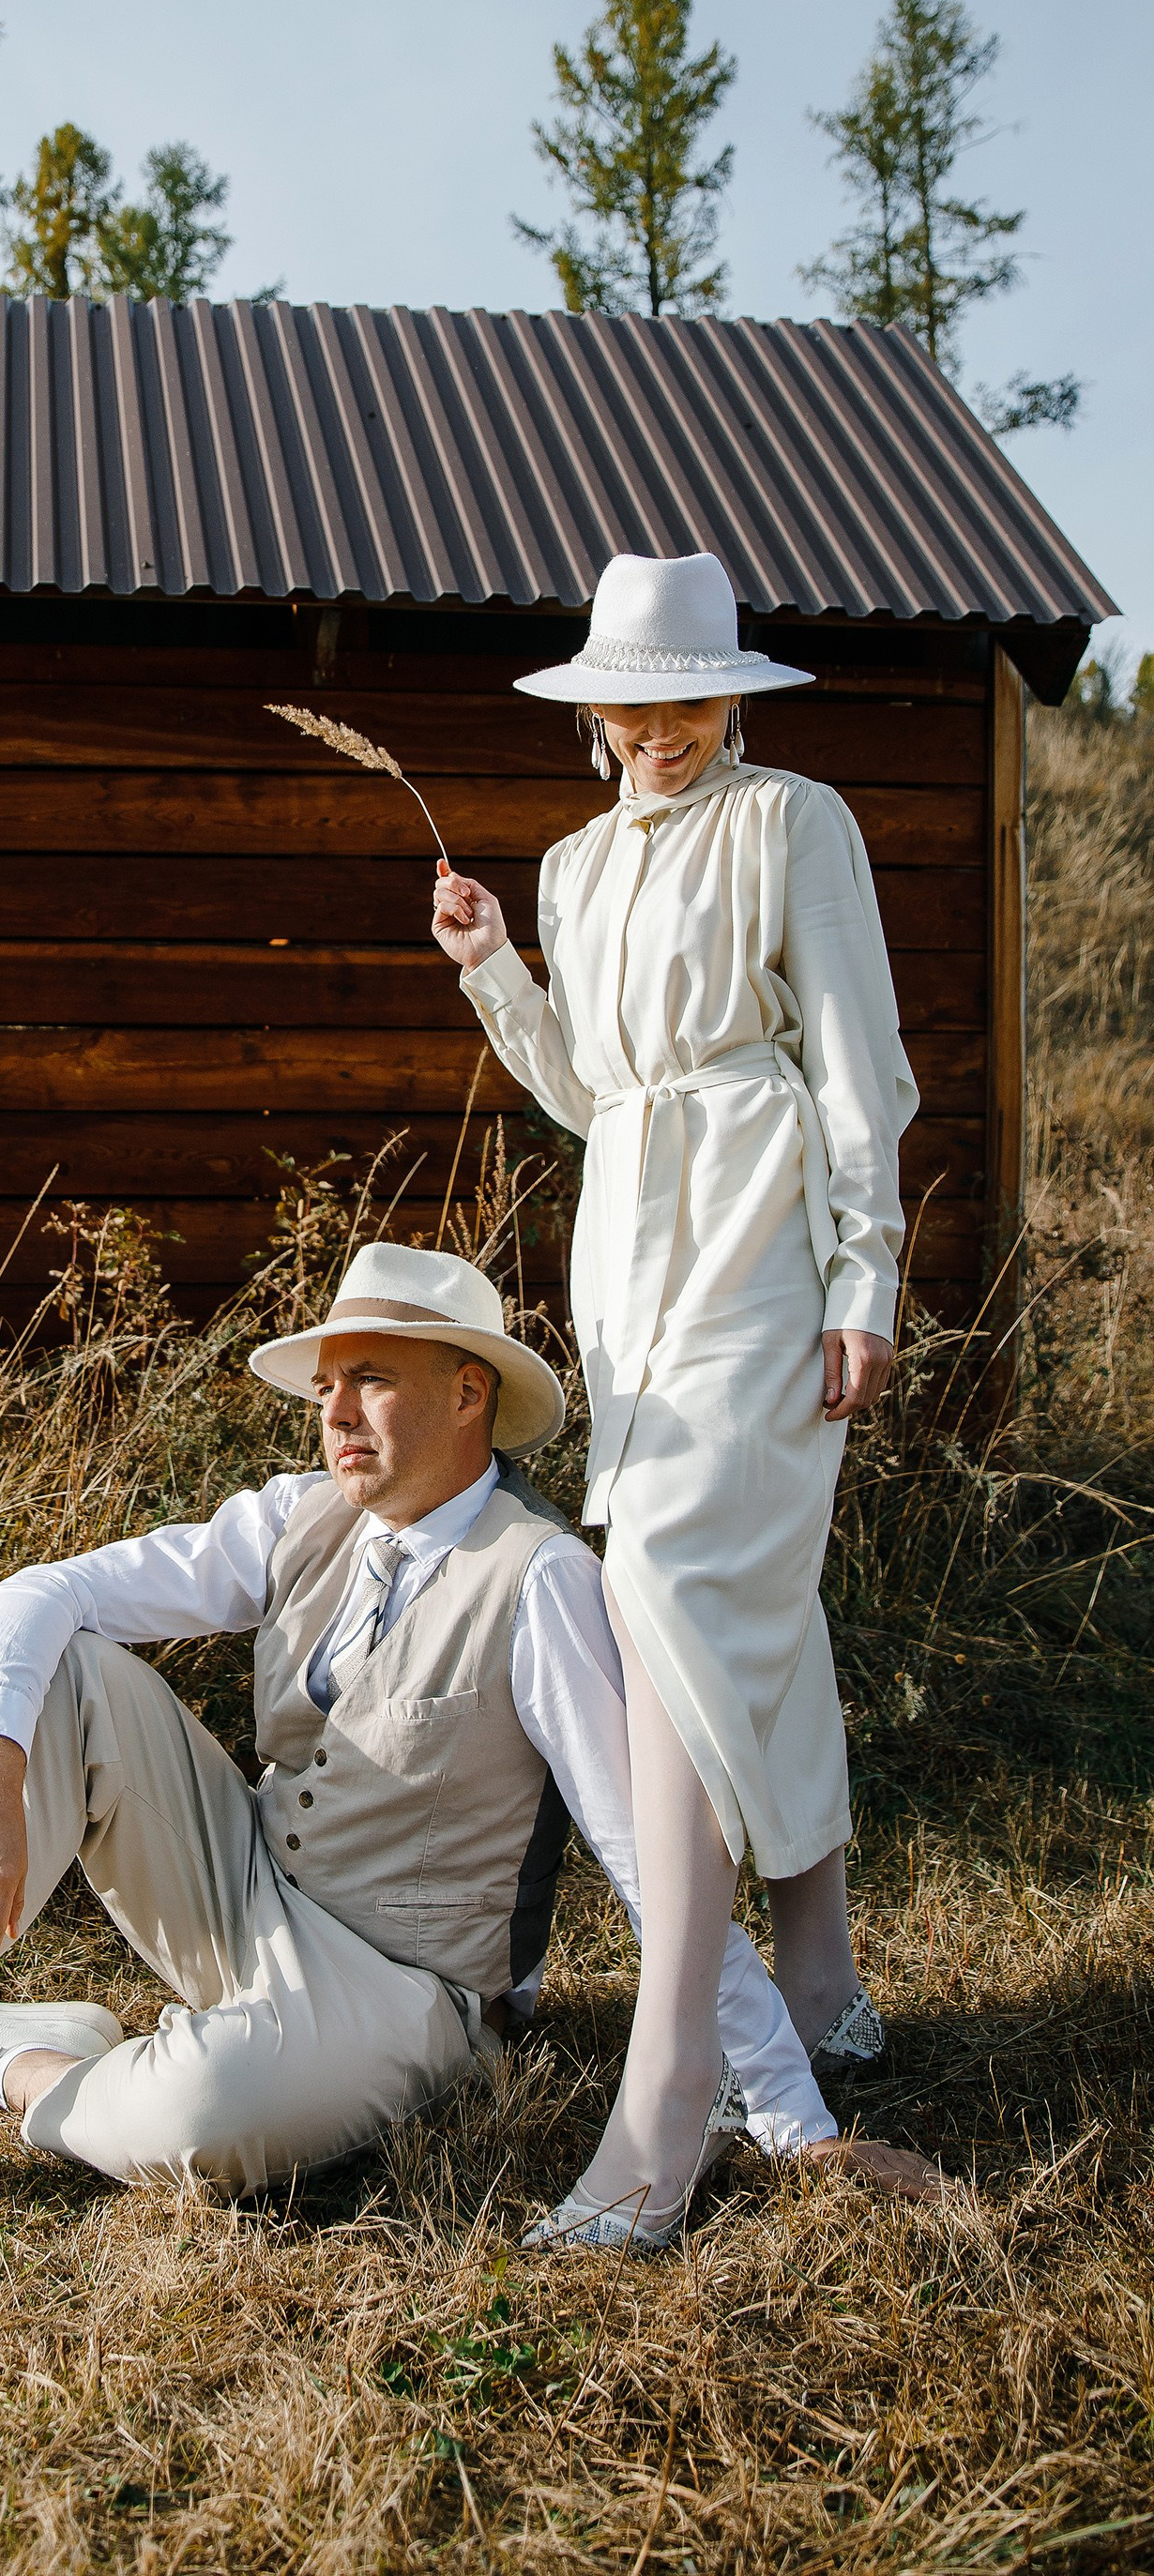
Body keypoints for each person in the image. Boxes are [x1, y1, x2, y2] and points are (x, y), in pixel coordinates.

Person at [0, 1240, 936, 2233]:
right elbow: (41, 1594)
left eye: (373, 1380)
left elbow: (656, 1869)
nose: (335, 1411)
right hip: (249, 1889)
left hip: (410, 1989)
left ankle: (17, 2061)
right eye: (327, 1384)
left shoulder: (539, 1580)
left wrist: (794, 2122)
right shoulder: (300, 1515)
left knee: (197, 2126)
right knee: (67, 1670)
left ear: (469, 1394)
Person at [432, 549, 915, 2249]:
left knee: (675, 1592)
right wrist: (497, 967)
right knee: (746, 1602)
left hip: (764, 1243)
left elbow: (857, 1057)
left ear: (731, 692)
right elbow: (592, 1091)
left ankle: (674, 2087)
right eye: (634, 706)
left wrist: (867, 1274)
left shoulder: (796, 822)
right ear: (595, 712)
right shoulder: (570, 865)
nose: (663, 730)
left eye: (690, 698)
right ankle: (821, 1980)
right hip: (627, 1267)